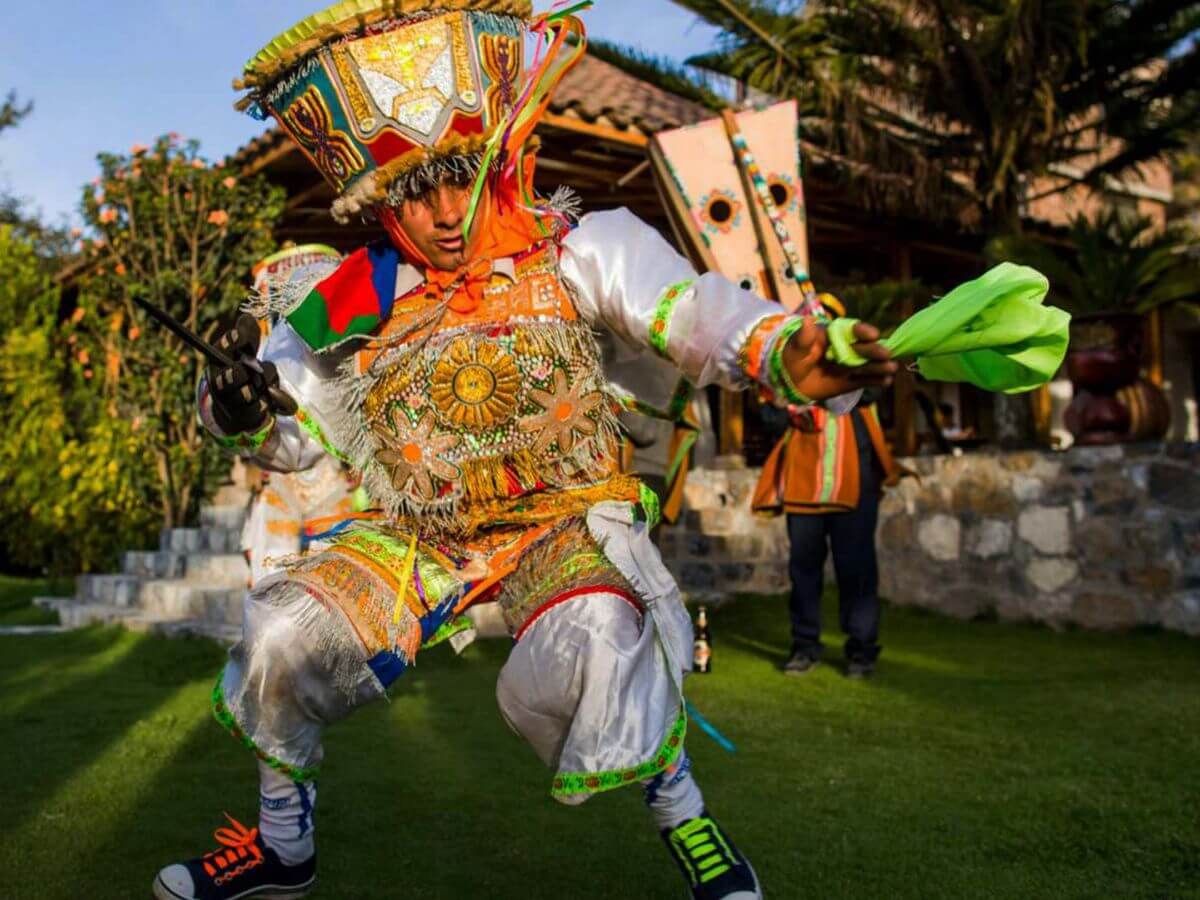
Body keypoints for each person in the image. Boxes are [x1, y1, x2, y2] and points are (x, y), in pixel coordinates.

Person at [151, 4, 896, 898]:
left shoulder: (580, 249)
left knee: (601, 640)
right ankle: (282, 847)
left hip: (562, 521)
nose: (442, 213)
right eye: (411, 191)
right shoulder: (354, 297)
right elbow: (287, 432)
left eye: (459, 178)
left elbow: (702, 315)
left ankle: (689, 822)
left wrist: (785, 349)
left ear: (497, 158)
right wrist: (235, 404)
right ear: (379, 198)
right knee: (281, 633)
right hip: (421, 534)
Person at [753, 391, 902, 678]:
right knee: (803, 571)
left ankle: (861, 649)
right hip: (804, 482)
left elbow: (872, 391)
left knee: (856, 569)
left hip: (854, 479)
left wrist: (831, 383)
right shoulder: (790, 368)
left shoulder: (858, 358)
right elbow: (770, 418)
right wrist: (790, 405)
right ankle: (804, 646)